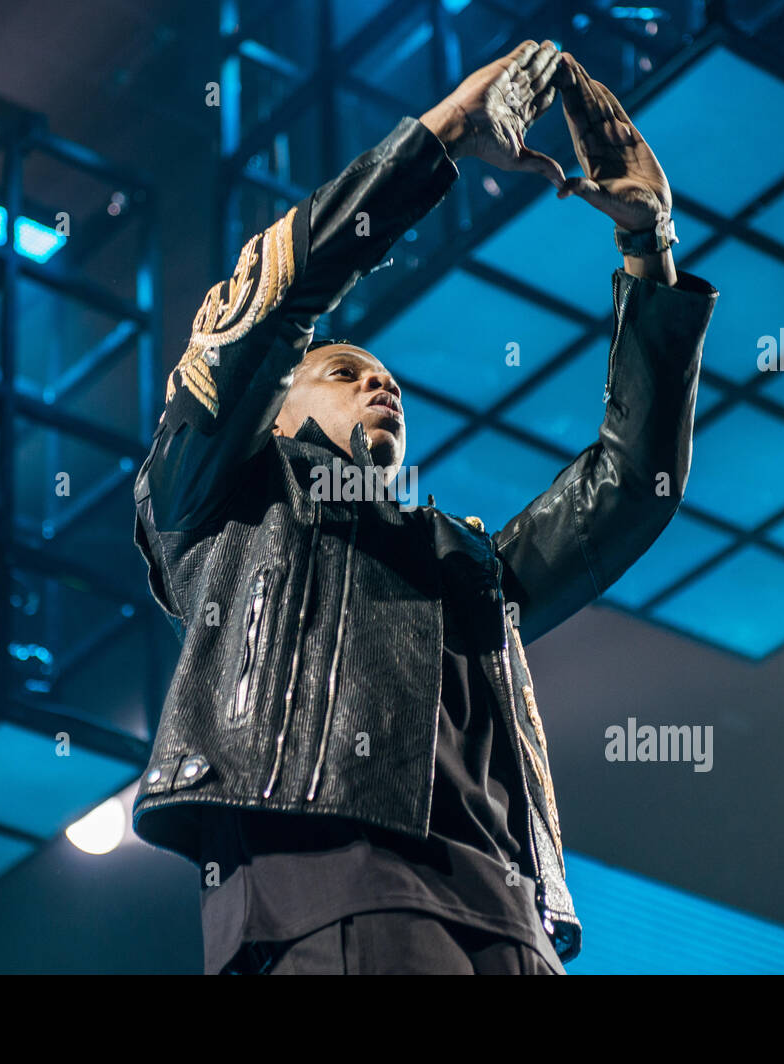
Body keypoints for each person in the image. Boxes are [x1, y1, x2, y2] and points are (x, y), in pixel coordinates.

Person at [131, 41, 718, 974]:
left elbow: (630, 488)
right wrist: (443, 132)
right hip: (327, 891)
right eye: (344, 372)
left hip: (511, 919)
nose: (381, 387)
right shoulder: (214, 494)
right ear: (272, 404)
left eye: (390, 380)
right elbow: (283, 301)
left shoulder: (464, 561)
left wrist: (650, 248)